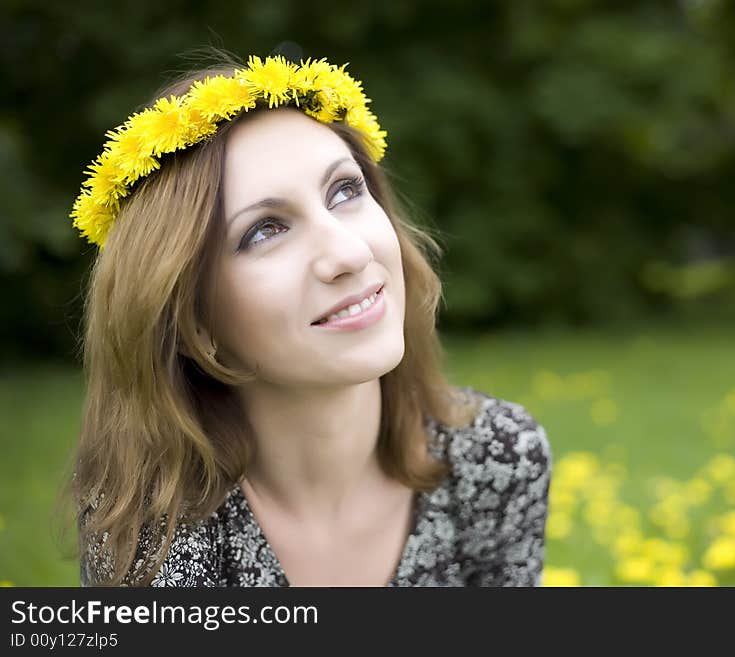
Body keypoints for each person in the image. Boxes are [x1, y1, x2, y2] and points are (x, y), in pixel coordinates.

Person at [68, 51, 552, 587]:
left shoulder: (497, 457)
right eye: (266, 230)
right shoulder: (151, 535)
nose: (347, 253)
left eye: (345, 190)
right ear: (191, 321)